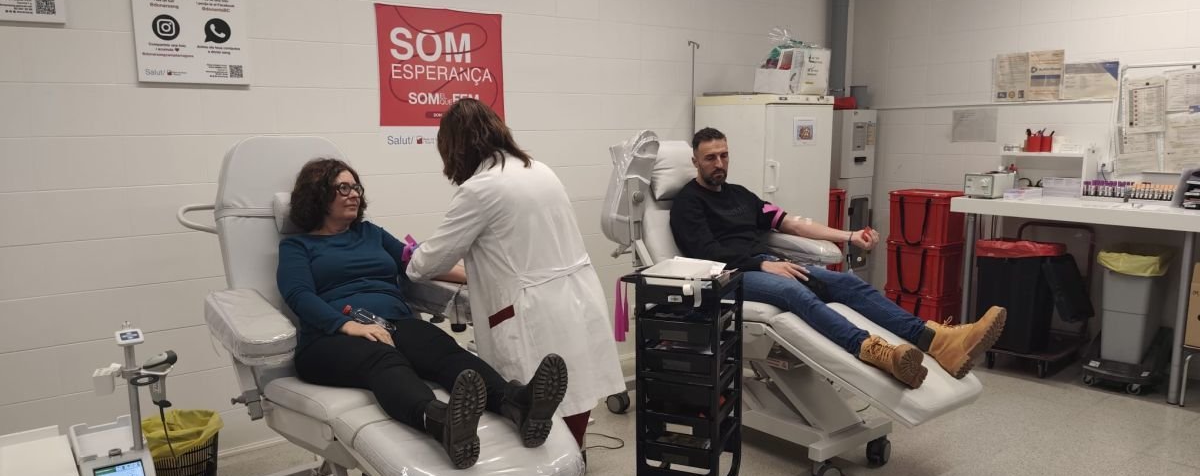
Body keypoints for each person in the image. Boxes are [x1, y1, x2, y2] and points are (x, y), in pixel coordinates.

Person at [277, 158, 568, 470]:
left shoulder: (371, 233)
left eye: (356, 187)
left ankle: (517, 404)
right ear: (318, 194)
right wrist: (346, 325)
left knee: (439, 347)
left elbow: (416, 262)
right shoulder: (298, 246)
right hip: (328, 340)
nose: (354, 194)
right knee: (384, 358)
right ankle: (440, 421)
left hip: (392, 323)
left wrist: (477, 276)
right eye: (343, 188)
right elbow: (299, 295)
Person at [670, 127, 1007, 389]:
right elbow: (707, 253)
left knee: (847, 282)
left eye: (724, 156)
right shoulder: (688, 203)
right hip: (728, 276)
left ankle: (937, 341)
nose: (719, 164)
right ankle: (874, 351)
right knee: (793, 292)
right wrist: (762, 264)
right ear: (696, 162)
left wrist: (848, 236)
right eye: (711, 158)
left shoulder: (740, 195)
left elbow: (791, 223)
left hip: (764, 263)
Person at [407, 98, 625, 449]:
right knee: (577, 392)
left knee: (534, 407)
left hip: (530, 312)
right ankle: (577, 459)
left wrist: (411, 257)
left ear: (453, 147)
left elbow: (426, 264)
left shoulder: (479, 189)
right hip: (578, 296)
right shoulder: (539, 170)